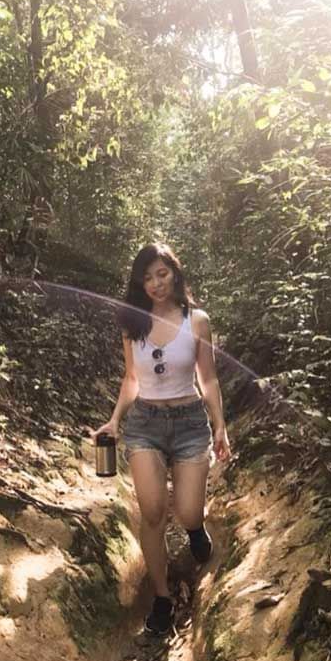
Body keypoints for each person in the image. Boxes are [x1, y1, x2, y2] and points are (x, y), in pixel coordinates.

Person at [92, 242, 231, 636]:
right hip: (145, 425)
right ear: (140, 282)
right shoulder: (131, 323)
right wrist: (115, 420)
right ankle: (162, 596)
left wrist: (219, 424)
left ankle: (194, 530)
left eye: (162, 274)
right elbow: (132, 378)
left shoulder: (197, 320)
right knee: (152, 511)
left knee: (187, 512)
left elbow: (209, 377)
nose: (156, 283)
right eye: (148, 277)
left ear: (175, 273)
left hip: (189, 423)